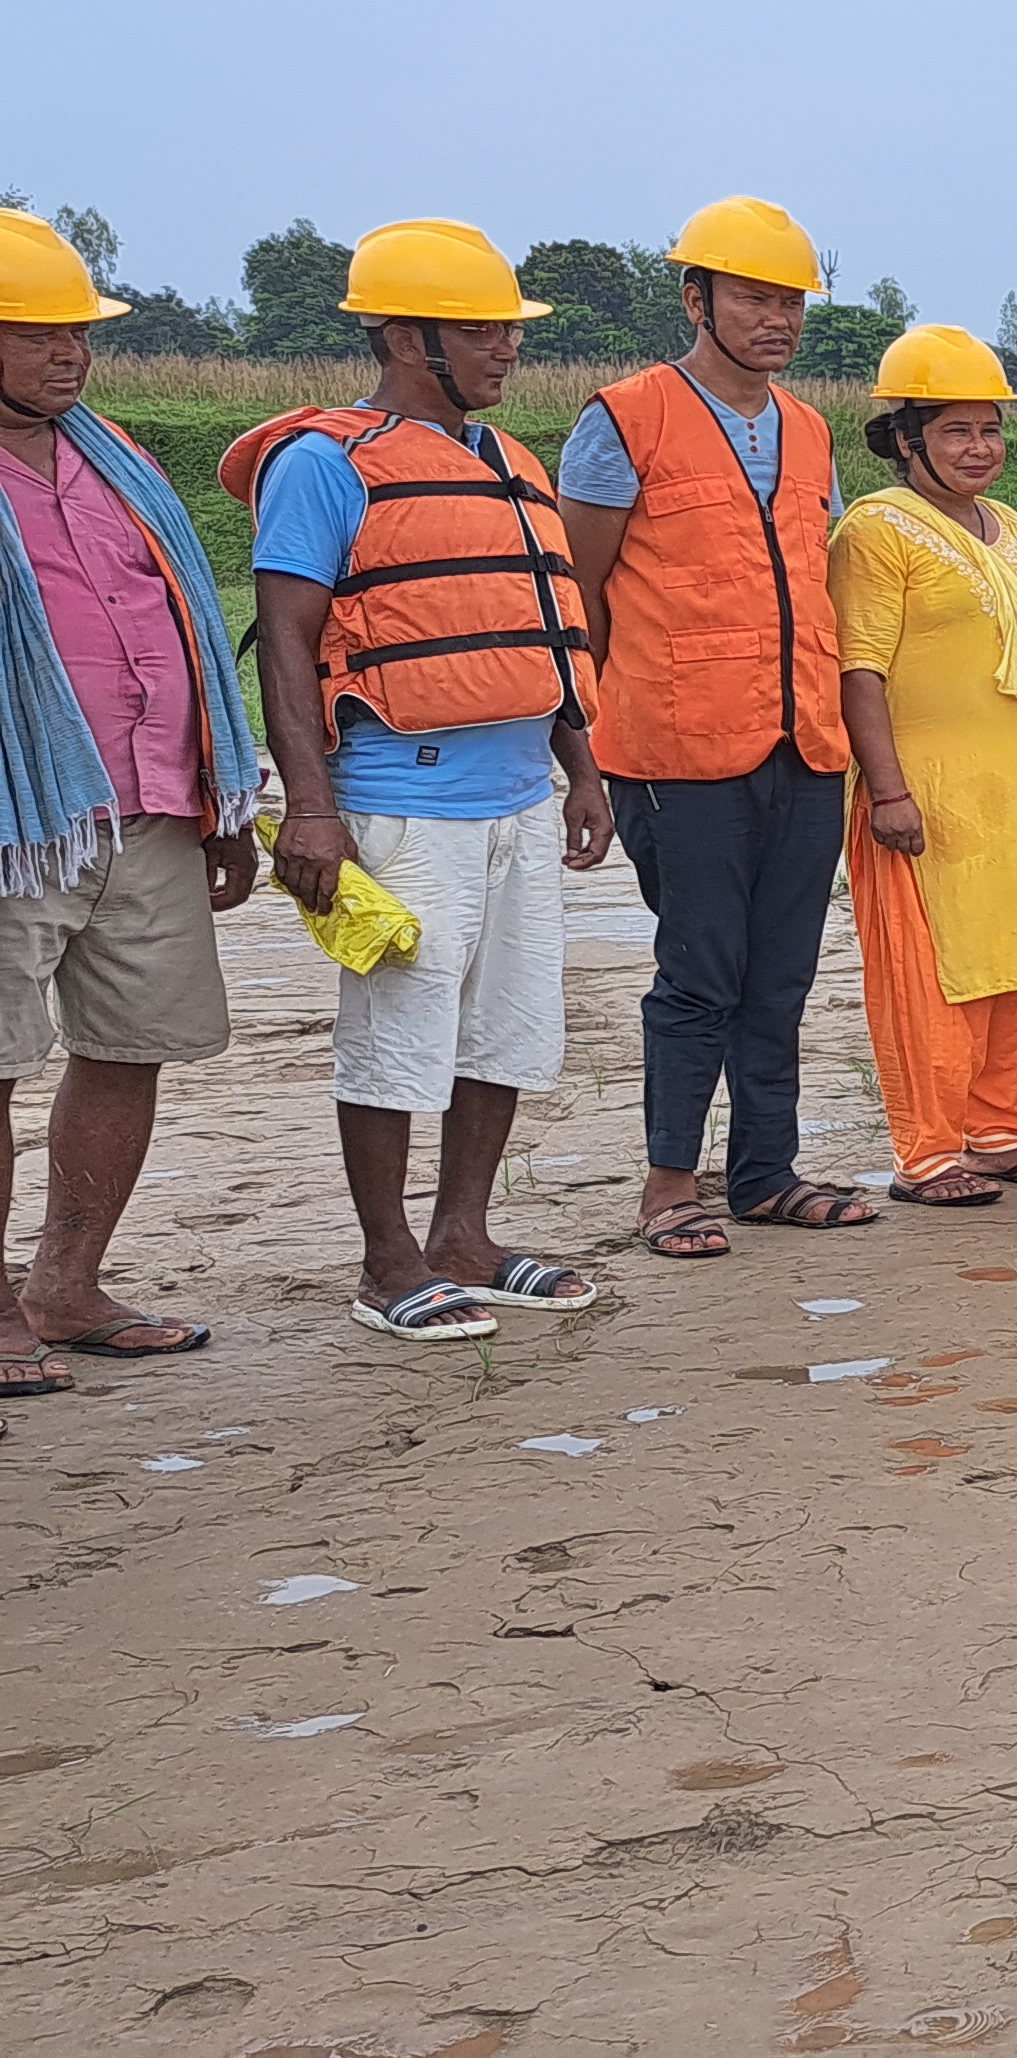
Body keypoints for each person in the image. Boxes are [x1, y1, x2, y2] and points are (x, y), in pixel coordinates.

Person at [229, 220, 614, 1338]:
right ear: (406, 334)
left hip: (519, 799)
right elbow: (290, 645)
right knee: (397, 1032)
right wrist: (309, 806)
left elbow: (539, 632)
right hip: (401, 797)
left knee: (508, 1025)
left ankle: (464, 1234)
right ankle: (386, 1258)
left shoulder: (509, 462)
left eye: (507, 329)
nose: (506, 349)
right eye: (482, 329)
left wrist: (578, 770)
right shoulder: (323, 465)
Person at [565, 197, 870, 1257]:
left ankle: (766, 1171)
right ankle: (667, 1186)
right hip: (677, 751)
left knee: (781, 968)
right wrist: (603, 734)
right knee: (700, 969)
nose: (775, 318)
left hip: (804, 742)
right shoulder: (624, 417)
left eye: (789, 301)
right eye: (752, 296)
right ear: (696, 297)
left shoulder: (811, 428)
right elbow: (584, 589)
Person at [0, 208, 261, 1389]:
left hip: (150, 805)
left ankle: (66, 1282)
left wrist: (224, 794)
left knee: (130, 1046)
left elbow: (190, 630)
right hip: (18, 826)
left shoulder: (123, 463)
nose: (71, 353)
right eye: (38, 332)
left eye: (78, 332)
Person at [824, 326, 1017, 1207]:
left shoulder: (1012, 526)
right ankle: (929, 1151)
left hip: (1015, 793)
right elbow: (857, 667)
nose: (980, 449)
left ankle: (1007, 1133)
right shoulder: (875, 530)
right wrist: (889, 789)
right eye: (956, 433)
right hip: (927, 794)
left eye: (990, 431)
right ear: (907, 441)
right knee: (930, 971)